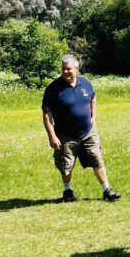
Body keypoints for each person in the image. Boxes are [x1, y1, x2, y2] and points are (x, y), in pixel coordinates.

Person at [42, 54, 121, 202]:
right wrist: (51, 136)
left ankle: (107, 190)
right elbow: (47, 114)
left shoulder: (86, 83)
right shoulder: (53, 89)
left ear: (77, 69)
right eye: (63, 69)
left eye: (69, 69)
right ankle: (68, 191)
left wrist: (93, 117)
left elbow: (93, 98)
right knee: (66, 165)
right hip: (65, 135)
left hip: (88, 132)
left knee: (97, 158)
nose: (65, 72)